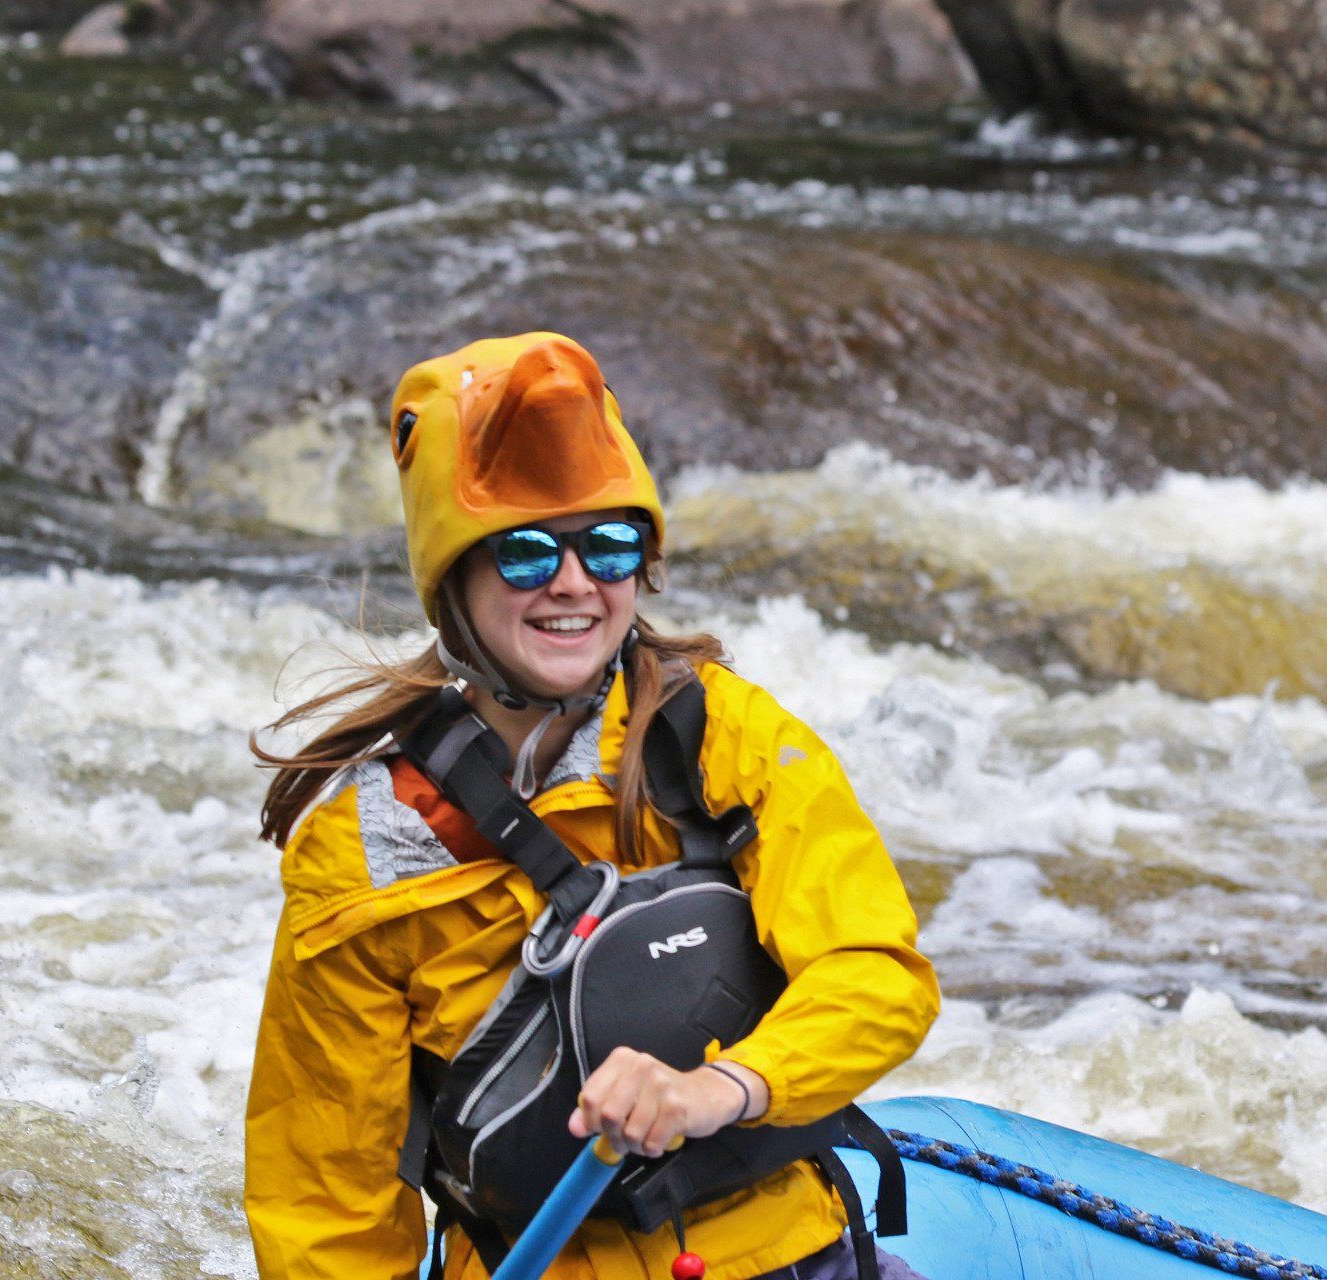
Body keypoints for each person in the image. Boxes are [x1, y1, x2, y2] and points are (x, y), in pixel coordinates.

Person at [244, 332, 940, 1280]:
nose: (574, 582)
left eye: (609, 545)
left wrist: (717, 1089)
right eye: (526, 554)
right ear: (455, 581)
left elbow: (875, 972)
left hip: (796, 1258)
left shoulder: (718, 735)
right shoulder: (366, 845)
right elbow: (324, 1191)